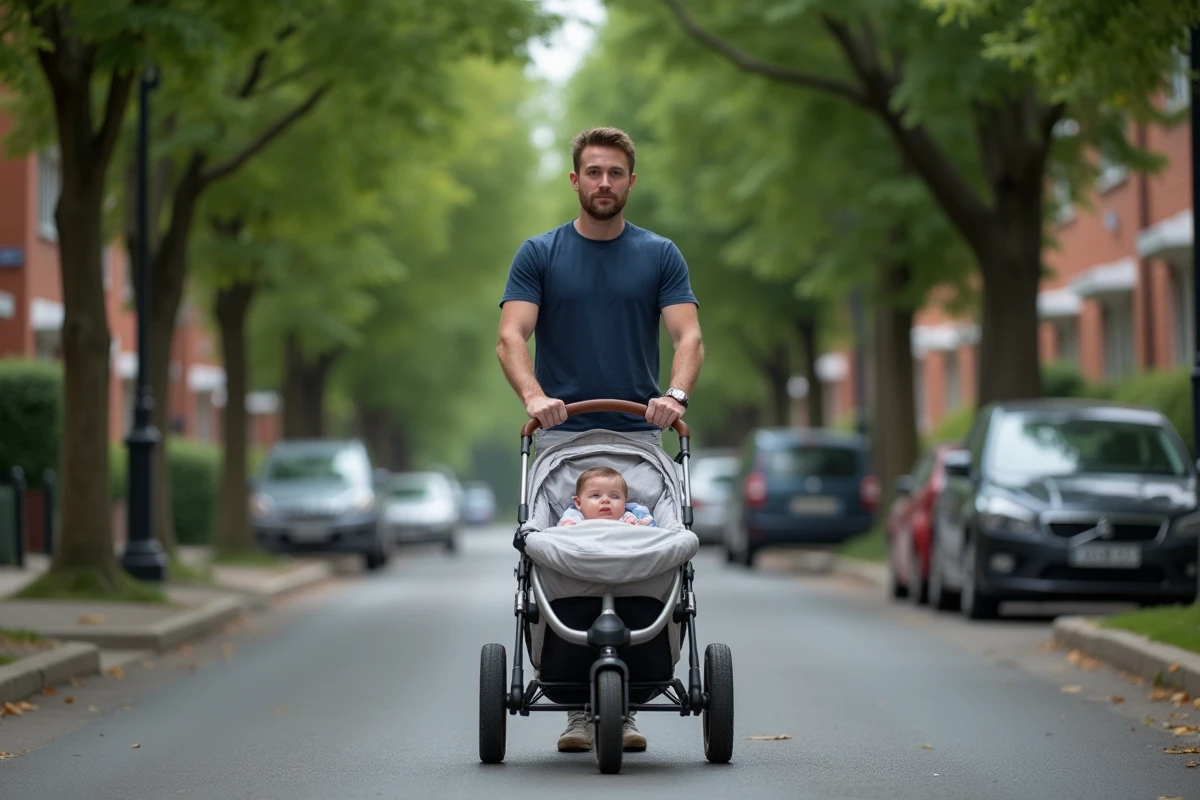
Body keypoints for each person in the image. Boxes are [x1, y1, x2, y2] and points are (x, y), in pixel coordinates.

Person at [496, 126, 704, 755]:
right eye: (593, 172)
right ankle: (574, 706)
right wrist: (535, 398)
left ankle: (632, 697)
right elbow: (512, 337)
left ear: (631, 181)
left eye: (615, 173)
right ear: (575, 179)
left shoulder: (660, 255)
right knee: (563, 563)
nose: (604, 183)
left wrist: (675, 396)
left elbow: (687, 338)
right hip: (564, 441)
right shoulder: (541, 254)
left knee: (647, 555)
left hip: (639, 437)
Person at [557, 466, 656, 527]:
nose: (606, 500)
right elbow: (562, 537)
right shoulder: (573, 520)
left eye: (614, 496)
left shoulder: (630, 519)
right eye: (596, 495)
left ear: (624, 502)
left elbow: (648, 535)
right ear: (578, 503)